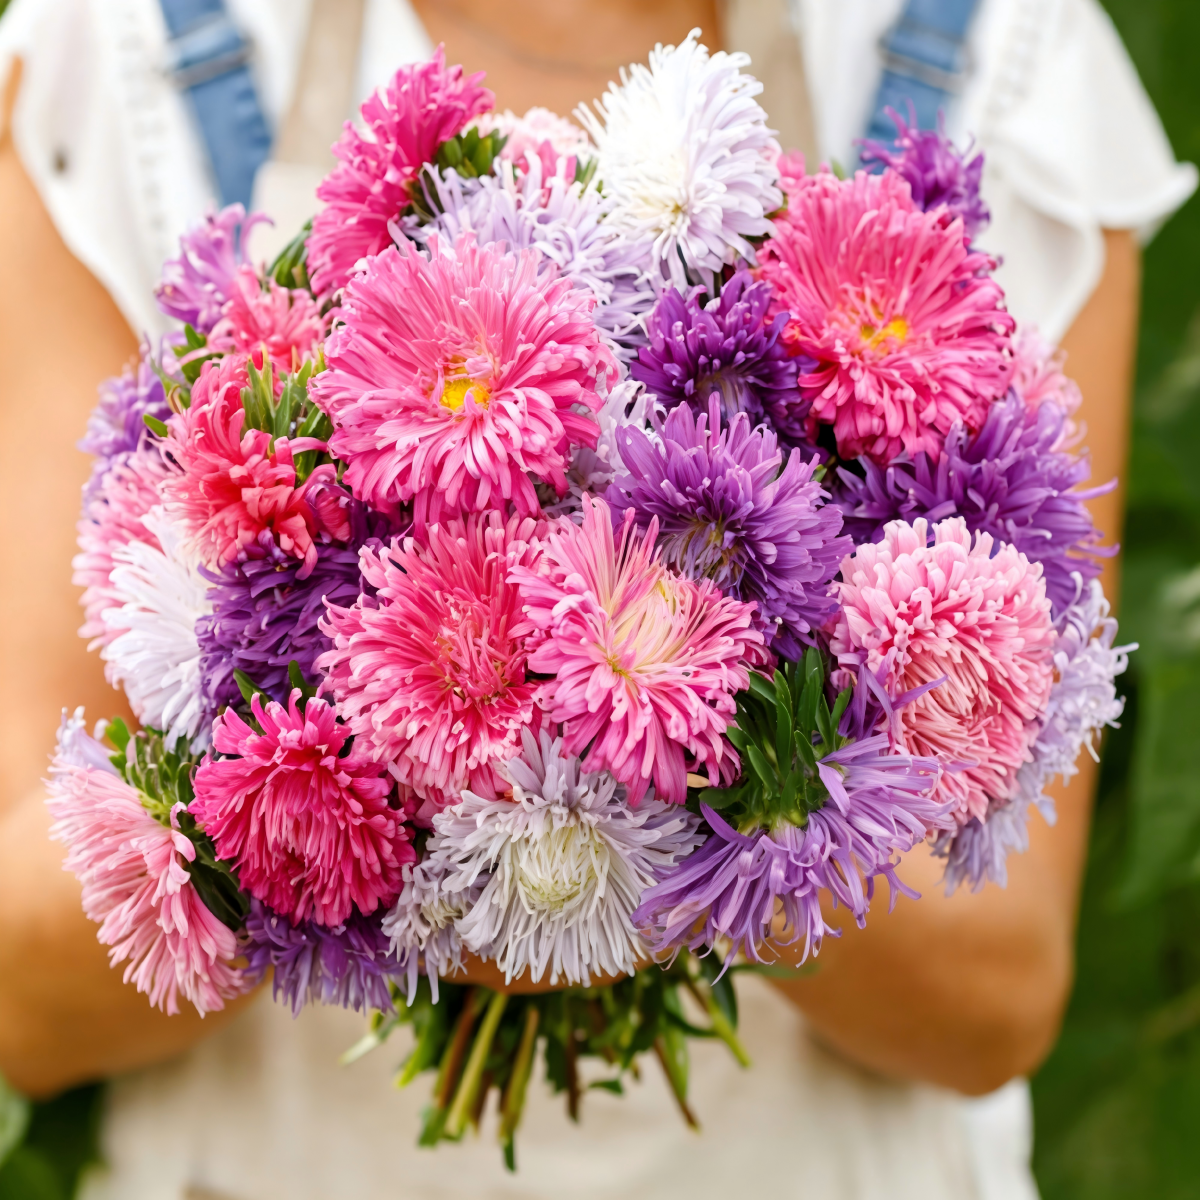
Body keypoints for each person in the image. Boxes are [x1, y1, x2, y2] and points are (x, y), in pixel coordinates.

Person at [0, 1, 1193, 1197]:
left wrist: (668, 828)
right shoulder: (129, 41)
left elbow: (1001, 993)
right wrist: (322, 834)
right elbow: (23, 990)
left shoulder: (997, 41)